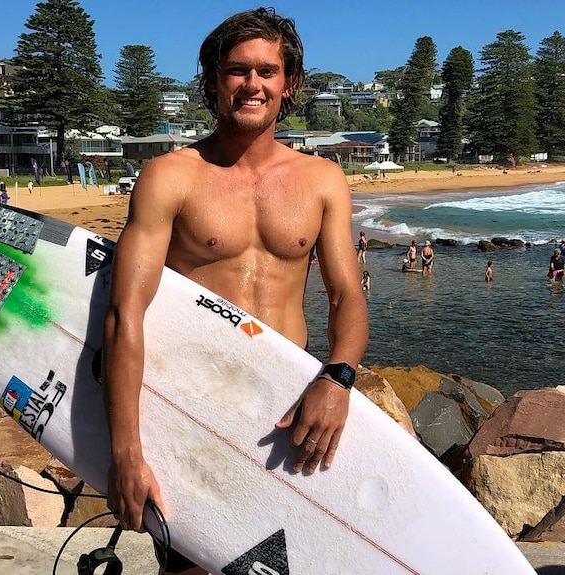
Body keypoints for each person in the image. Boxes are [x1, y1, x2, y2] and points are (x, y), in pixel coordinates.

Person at [102, 9, 369, 574]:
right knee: (191, 567)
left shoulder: (322, 179)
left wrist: (338, 377)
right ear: (213, 81)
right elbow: (125, 314)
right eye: (236, 71)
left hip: (288, 410)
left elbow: (347, 295)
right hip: (194, 409)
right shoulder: (170, 176)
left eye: (267, 72)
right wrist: (125, 450)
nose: (253, 84)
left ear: (288, 83)